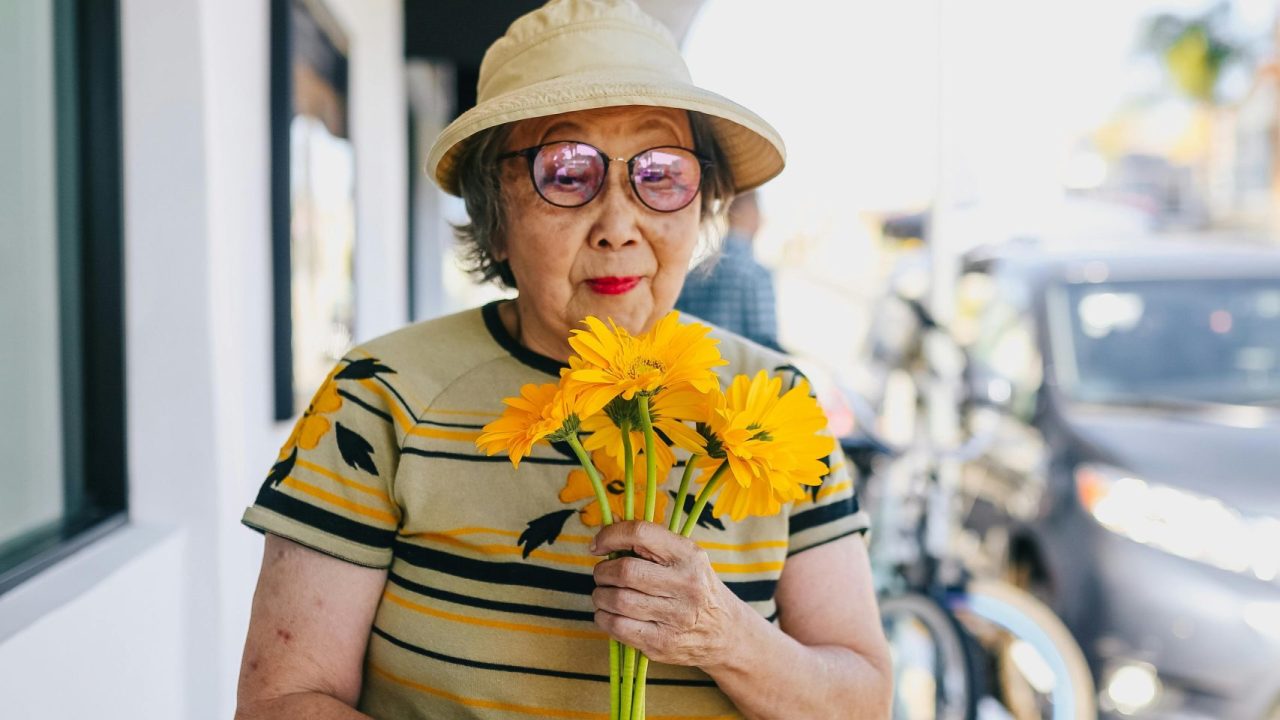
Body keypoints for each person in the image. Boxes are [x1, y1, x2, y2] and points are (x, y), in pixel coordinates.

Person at [234, 1, 891, 718]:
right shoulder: (376, 396)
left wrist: (725, 635)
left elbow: (863, 702)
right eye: (567, 172)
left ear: (700, 206)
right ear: (496, 215)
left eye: (660, 174)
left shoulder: (777, 401)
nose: (618, 226)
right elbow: (281, 700)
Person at [676, 192, 783, 351]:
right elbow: (766, 345)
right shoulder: (757, 275)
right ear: (752, 214)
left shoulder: (694, 273)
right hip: (738, 367)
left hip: (694, 364)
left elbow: (677, 327)